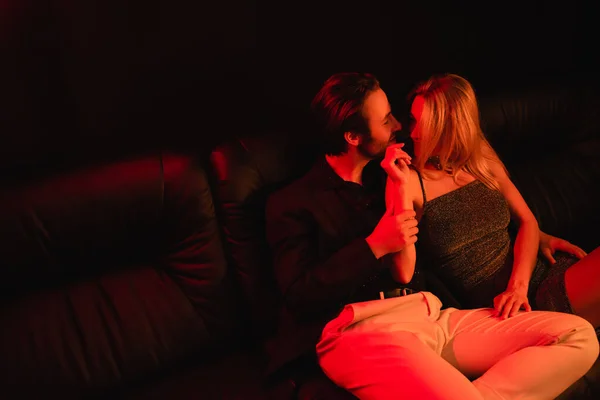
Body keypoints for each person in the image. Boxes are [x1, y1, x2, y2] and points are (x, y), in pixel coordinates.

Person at [264, 72, 598, 399]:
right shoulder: (294, 203)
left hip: (434, 313)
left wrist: (536, 233)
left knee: (579, 336)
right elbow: (298, 295)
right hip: (364, 325)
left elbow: (476, 210)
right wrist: (374, 246)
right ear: (353, 136)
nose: (399, 127)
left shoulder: (391, 173)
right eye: (387, 120)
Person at [385, 73, 600, 326]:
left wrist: (519, 282)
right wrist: (398, 190)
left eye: (428, 123)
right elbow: (402, 271)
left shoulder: (479, 156)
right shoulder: (407, 179)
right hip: (511, 306)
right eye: (413, 120)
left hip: (534, 277)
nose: (414, 133)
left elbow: (527, 221)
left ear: (453, 125)